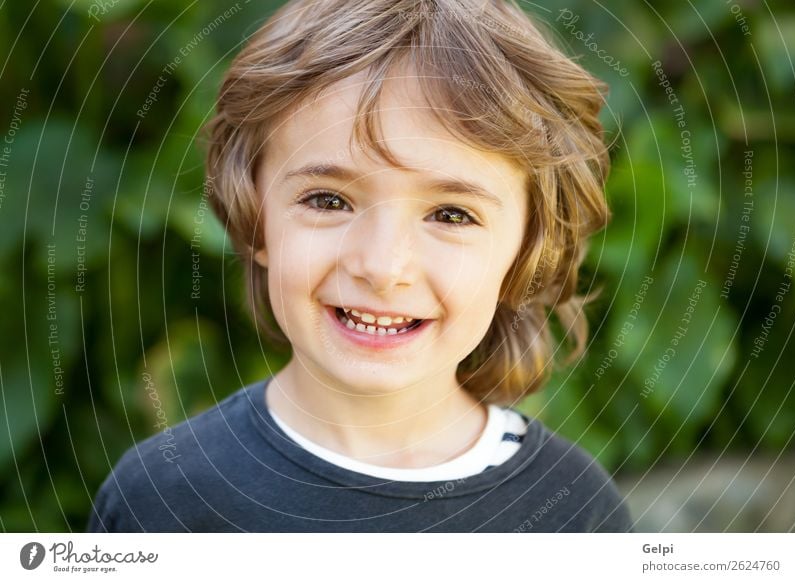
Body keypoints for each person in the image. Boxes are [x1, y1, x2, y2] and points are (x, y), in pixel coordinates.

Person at [88, 0, 633, 532]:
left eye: (451, 213)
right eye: (328, 201)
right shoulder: (163, 497)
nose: (381, 265)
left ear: (527, 248)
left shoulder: (572, 510)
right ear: (255, 218)